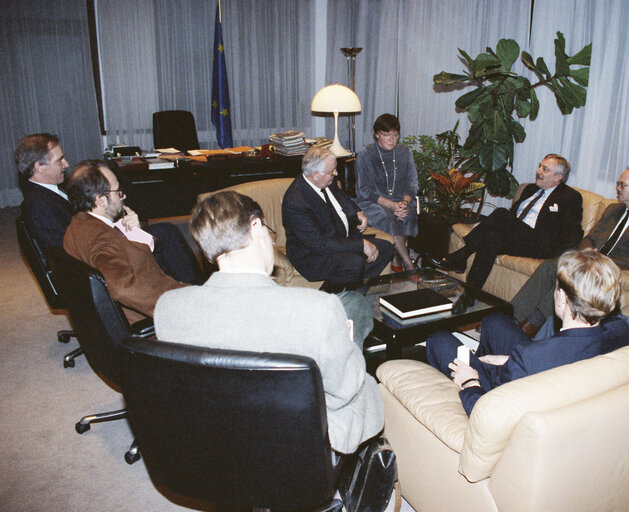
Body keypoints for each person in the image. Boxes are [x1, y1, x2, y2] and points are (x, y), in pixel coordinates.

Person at [154, 191, 384, 455]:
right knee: (366, 383)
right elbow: (346, 390)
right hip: (296, 444)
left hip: (212, 439)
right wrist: (348, 345)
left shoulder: (167, 307)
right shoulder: (319, 309)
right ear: (255, 227)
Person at [427, 249, 629, 416]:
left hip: (505, 394)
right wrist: (508, 360)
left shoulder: (531, 358)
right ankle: (481, 364)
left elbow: (491, 416)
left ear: (561, 297)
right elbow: (559, 355)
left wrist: (470, 381)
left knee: (439, 340)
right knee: (494, 321)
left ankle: (460, 383)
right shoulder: (621, 332)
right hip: (538, 370)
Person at [15, 134, 202, 284]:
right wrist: (124, 235)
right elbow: (73, 250)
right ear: (39, 167)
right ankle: (192, 285)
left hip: (99, 239)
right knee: (165, 234)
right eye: (60, 160)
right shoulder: (39, 206)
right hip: (96, 259)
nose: (66, 164)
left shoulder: (49, 191)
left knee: (163, 231)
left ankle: (184, 283)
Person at [511, 166, 629, 336]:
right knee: (549, 267)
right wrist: (587, 250)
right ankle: (510, 318)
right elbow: (590, 237)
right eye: (618, 184)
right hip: (587, 260)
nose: (618, 188)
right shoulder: (612, 210)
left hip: (607, 268)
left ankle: (529, 328)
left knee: (569, 281)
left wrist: (602, 260)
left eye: (622, 185)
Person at [427, 154, 583, 291]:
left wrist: (561, 259)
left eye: (545, 169)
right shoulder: (530, 189)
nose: (538, 171)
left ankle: (461, 256)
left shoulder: (569, 197)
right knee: (492, 238)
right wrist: (484, 226)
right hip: (516, 237)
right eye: (539, 167)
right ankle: (471, 293)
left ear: (558, 177)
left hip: (539, 244)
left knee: (501, 214)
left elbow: (574, 231)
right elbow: (512, 216)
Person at [63, 161, 185, 321]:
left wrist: (135, 232)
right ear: (101, 201)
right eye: (118, 192)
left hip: (156, 291)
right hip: (153, 308)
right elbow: (122, 288)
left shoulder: (78, 224)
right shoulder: (101, 238)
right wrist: (178, 305)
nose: (123, 196)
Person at [282, 146, 394, 292]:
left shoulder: (325, 180)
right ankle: (324, 299)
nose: (336, 173)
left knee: (386, 248)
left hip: (338, 240)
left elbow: (340, 195)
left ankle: (353, 294)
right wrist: (360, 245)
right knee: (353, 263)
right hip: (312, 255)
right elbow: (319, 244)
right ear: (315, 174)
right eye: (332, 171)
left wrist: (357, 211)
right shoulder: (296, 202)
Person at [355, 113, 418, 271]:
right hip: (373, 201)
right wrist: (391, 204)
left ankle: (396, 258)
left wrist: (403, 202)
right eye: (386, 135)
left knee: (408, 212)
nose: (392, 139)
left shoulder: (405, 152)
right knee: (387, 215)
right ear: (377, 134)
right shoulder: (366, 153)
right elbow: (363, 189)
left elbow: (413, 183)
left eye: (395, 135)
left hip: (400, 199)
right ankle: (408, 264)